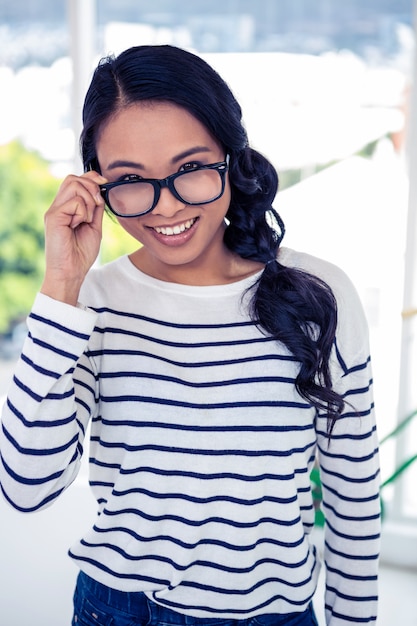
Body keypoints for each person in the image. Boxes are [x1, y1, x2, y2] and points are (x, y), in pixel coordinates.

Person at [0, 45, 380, 626]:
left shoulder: (318, 295)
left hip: (273, 615)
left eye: (191, 168)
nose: (167, 207)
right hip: (118, 611)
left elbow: (353, 494)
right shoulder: (87, 304)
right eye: (131, 180)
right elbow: (26, 487)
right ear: (98, 187)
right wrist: (59, 286)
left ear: (233, 158)